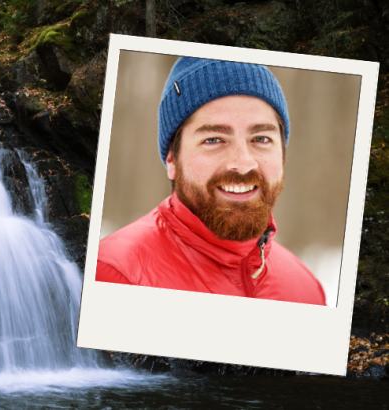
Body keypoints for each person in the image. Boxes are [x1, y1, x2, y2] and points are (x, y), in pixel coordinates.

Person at [96, 57, 326, 306]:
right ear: (172, 159)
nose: (243, 163)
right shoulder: (114, 276)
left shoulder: (307, 290)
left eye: (261, 138)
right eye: (214, 139)